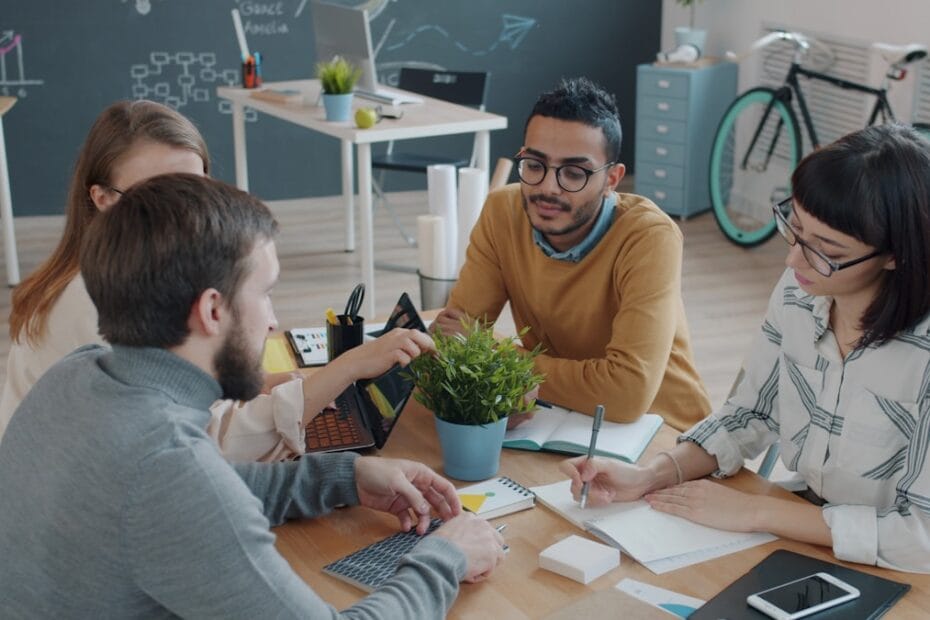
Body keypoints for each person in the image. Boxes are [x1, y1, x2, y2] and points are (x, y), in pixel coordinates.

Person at [0, 173, 506, 616]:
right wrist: (445, 557)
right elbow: (191, 491)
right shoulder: (168, 467)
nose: (272, 320)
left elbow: (204, 489)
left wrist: (344, 476)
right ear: (212, 311)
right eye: (264, 293)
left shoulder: (76, 374)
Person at [561, 124, 930, 573]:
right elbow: (751, 413)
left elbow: (921, 535)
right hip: (812, 531)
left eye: (827, 251)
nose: (792, 259)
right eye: (795, 228)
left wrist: (756, 511)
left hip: (898, 568)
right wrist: (650, 475)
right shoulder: (800, 292)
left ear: (895, 254)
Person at [1, 100, 360, 462]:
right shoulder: (98, 302)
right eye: (157, 194)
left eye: (195, 190)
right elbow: (201, 443)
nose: (186, 212)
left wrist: (263, 384)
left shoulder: (143, 270)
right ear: (104, 199)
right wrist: (345, 371)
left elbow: (182, 393)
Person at [434, 77, 710, 431]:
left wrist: (495, 358)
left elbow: (626, 394)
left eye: (574, 173)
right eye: (535, 165)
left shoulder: (649, 236)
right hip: (556, 417)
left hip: (661, 433)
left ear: (612, 179)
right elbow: (453, 338)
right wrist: (480, 357)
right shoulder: (503, 210)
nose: (548, 188)